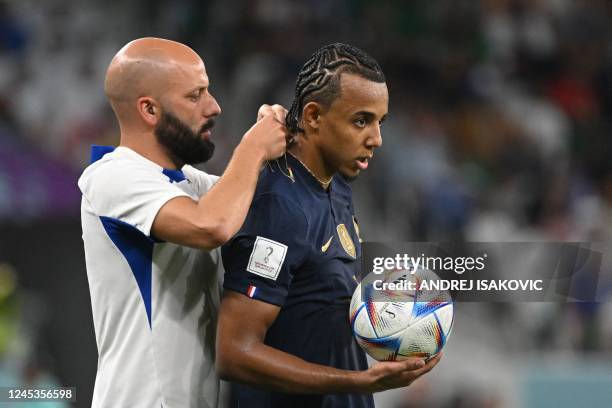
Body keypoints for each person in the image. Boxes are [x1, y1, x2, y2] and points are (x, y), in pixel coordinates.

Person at [218, 43, 441, 407]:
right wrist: (358, 381)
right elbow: (233, 351)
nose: (377, 138)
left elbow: (313, 310)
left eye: (380, 122)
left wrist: (396, 329)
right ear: (313, 116)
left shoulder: (336, 187)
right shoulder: (279, 206)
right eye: (361, 121)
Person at [78, 37, 288, 408]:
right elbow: (211, 226)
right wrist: (254, 147)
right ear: (149, 110)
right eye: (195, 96)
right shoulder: (112, 176)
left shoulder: (189, 183)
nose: (215, 107)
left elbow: (259, 199)